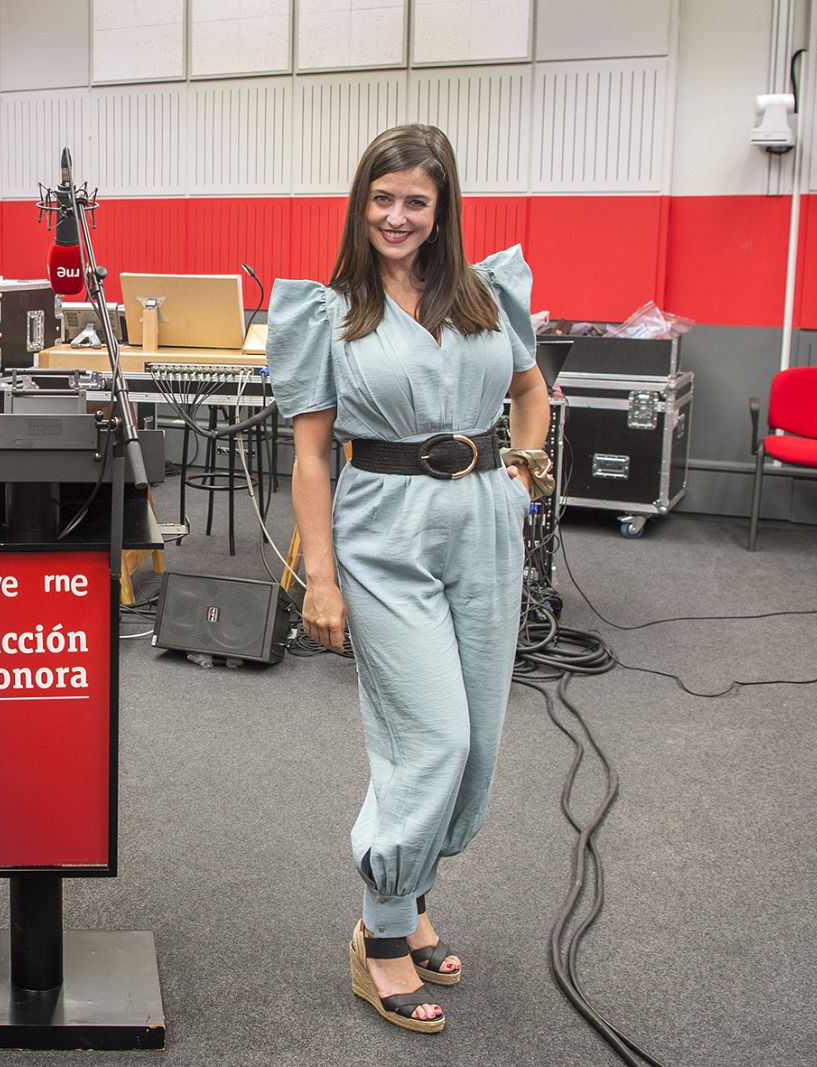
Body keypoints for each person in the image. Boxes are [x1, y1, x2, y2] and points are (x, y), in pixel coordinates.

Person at [266, 124, 552, 1034]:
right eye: (382, 198)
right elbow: (313, 457)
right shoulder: (330, 313)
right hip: (383, 533)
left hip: (484, 528)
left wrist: (523, 479)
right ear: (362, 204)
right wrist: (319, 578)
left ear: (442, 208)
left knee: (478, 742)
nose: (396, 216)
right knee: (431, 737)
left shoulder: (486, 293)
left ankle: (415, 893)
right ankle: (382, 933)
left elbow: (530, 392)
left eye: (415, 201)